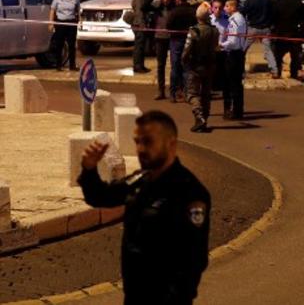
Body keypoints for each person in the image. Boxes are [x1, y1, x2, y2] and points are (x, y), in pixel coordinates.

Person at [78, 110, 211, 304]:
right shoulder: (140, 180)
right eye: (137, 141)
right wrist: (89, 169)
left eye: (148, 142)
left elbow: (193, 259)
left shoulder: (190, 192)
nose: (140, 148)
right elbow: (101, 197)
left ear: (171, 144)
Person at [183, 3, 219, 133]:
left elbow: (187, 50)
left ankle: (199, 117)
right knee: (206, 94)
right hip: (210, 65)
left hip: (195, 66)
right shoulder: (214, 30)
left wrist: (184, 61)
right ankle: (205, 119)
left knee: (191, 94)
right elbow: (216, 46)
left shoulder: (194, 31)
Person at [166, 0, 197, 102]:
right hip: (188, 40)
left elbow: (168, 25)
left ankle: (173, 93)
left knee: (175, 67)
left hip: (175, 40)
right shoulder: (192, 11)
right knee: (186, 67)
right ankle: (186, 93)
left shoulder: (174, 12)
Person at [220, 0, 247, 120]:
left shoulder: (234, 21)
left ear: (232, 7)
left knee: (232, 84)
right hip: (239, 53)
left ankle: (236, 112)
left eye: (226, 6)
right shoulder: (239, 18)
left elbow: (233, 41)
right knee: (236, 84)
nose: (224, 9)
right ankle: (238, 110)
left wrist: (222, 45)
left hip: (234, 54)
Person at [241, 0, 275, 77]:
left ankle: (240, 69)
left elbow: (243, 12)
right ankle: (274, 70)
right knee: (268, 50)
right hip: (266, 28)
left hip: (253, 28)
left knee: (243, 49)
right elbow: (272, 11)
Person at [272, 0, 304, 79]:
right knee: (294, 55)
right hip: (294, 33)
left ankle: (278, 72)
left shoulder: (278, 4)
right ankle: (293, 73)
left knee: (278, 55)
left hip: (281, 33)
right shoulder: (298, 4)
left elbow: (274, 18)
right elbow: (303, 18)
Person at [49, 0, 80, 71]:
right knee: (59, 44)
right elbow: (52, 10)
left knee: (71, 45)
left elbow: (78, 10)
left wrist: (80, 21)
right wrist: (51, 23)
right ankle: (58, 65)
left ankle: (72, 65)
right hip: (60, 22)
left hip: (71, 22)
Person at [151, 0, 176, 100]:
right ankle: (161, 90)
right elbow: (145, 6)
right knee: (161, 65)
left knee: (174, 65)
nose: (165, 0)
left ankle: (173, 91)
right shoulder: (157, 4)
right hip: (159, 37)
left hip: (172, 37)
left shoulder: (174, 5)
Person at [131, 0, 156, 73]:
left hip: (141, 23)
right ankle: (137, 66)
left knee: (141, 46)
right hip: (139, 24)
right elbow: (139, 10)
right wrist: (142, 25)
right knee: (139, 46)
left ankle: (141, 65)